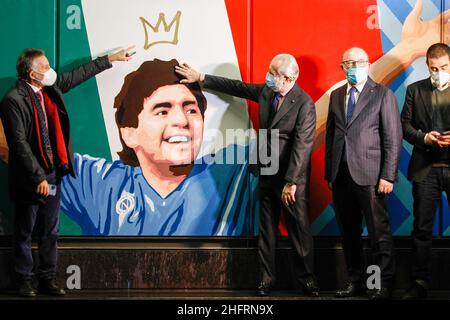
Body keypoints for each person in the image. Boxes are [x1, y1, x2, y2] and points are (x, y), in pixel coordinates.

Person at [61, 58, 258, 236]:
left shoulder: (234, 173)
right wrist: (105, 61)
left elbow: (271, 98)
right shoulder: (100, 185)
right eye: (162, 112)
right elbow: (39, 93)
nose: (181, 120)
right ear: (129, 133)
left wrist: (204, 78)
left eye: (191, 110)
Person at [176, 53, 319, 296]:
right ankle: (266, 280)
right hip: (265, 172)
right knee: (266, 230)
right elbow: (237, 88)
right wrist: (201, 78)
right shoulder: (266, 92)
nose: (268, 76)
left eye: (274, 73)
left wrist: (291, 181)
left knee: (299, 231)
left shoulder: (305, 104)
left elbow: (302, 146)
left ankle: (307, 280)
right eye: (270, 70)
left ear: (289, 78)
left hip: (289, 181)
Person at [0, 46, 133, 297]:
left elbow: (77, 75)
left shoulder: (50, 89)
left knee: (51, 229)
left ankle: (47, 278)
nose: (51, 71)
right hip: (29, 177)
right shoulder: (12, 101)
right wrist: (37, 176)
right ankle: (24, 280)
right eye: (45, 67)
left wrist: (110, 59)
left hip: (53, 173)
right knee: (25, 230)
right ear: (31, 74)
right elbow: (18, 144)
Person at [325, 47, 402, 300]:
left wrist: (388, 176)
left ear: (368, 64)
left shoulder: (382, 94)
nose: (352, 67)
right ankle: (355, 281)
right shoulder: (336, 95)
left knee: (378, 233)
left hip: (371, 175)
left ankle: (380, 283)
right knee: (349, 234)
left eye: (357, 62)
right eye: (347, 63)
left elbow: (393, 138)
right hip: (341, 175)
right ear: (342, 67)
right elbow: (332, 136)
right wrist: (330, 173)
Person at [401, 43, 450, 300]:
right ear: (427, 66)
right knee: (421, 228)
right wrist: (426, 138)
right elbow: (405, 126)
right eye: (433, 68)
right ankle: (419, 282)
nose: (438, 73)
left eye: (443, 68)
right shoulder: (414, 90)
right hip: (426, 169)